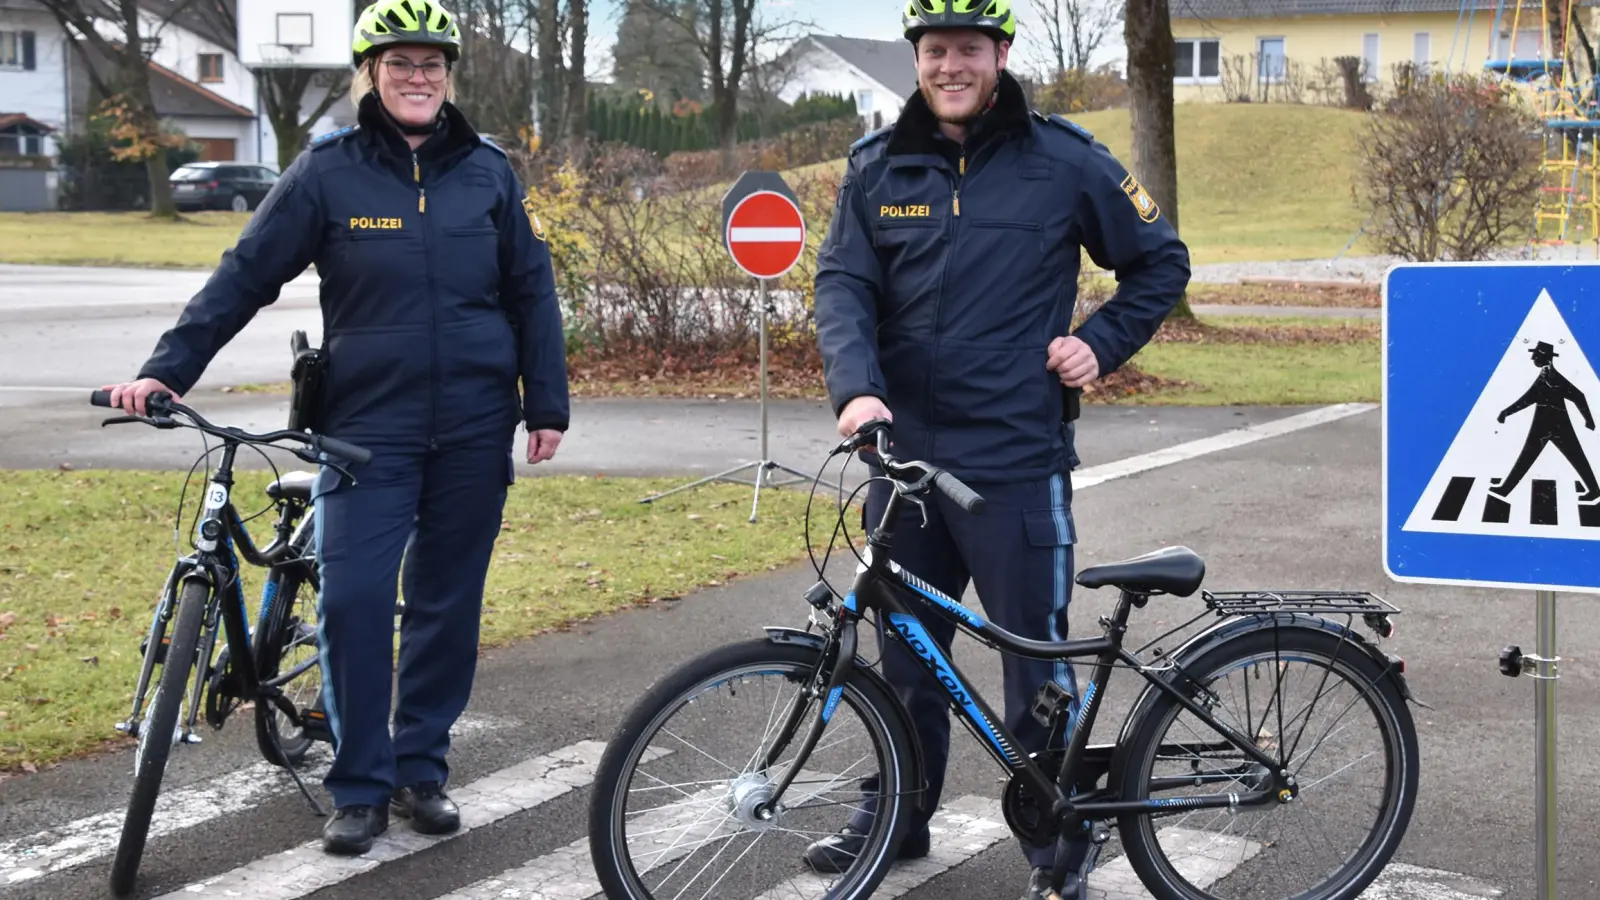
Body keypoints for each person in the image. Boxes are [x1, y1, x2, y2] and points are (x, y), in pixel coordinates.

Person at [98, 0, 570, 856]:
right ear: (371, 75)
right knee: (353, 604)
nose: (417, 77)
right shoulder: (328, 172)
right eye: (399, 63)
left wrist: (546, 403)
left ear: (448, 76)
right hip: (365, 430)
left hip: (472, 426)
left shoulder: (489, 173)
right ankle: (356, 784)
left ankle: (420, 768)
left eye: (431, 63)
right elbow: (244, 275)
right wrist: (167, 369)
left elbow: (531, 289)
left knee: (445, 605)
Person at [806, 0, 1191, 896]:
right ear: (916, 58)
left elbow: (1160, 260)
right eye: (935, 50)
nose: (951, 65)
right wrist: (855, 387)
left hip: (1016, 460)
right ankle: (900, 814)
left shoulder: (1065, 160)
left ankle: (1057, 845)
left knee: (1036, 666)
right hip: (902, 464)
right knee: (906, 663)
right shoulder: (876, 166)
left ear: (1001, 54)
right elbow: (843, 283)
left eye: (968, 49)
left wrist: (1101, 342)